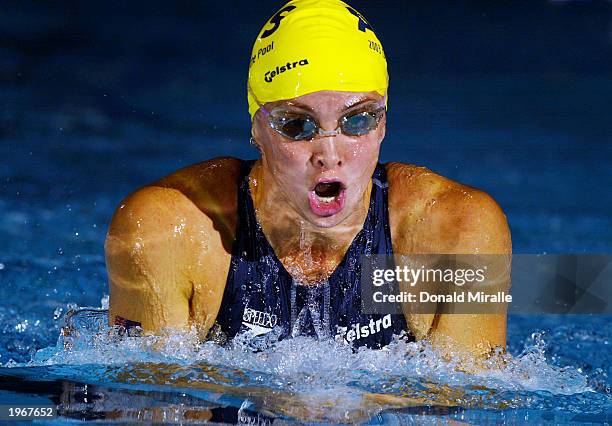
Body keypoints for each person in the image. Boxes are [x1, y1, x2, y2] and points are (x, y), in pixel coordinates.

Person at [105, 0, 511, 358]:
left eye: (357, 121)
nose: (329, 154)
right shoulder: (172, 232)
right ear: (257, 129)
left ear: (385, 122)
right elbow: (145, 405)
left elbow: (471, 406)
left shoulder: (454, 233)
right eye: (297, 125)